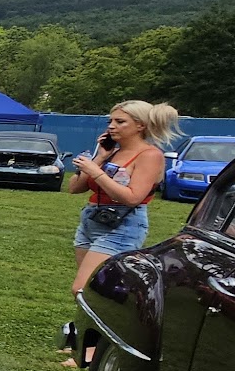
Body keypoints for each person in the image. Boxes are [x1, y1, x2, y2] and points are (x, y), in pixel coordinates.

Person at [68, 100, 179, 295]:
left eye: (120, 122)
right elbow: (74, 188)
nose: (111, 126)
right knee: (93, 290)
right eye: (110, 121)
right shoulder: (111, 153)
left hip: (122, 225)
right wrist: (100, 158)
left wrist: (96, 172)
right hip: (92, 219)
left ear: (140, 125)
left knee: (82, 289)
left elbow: (133, 197)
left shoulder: (150, 155)